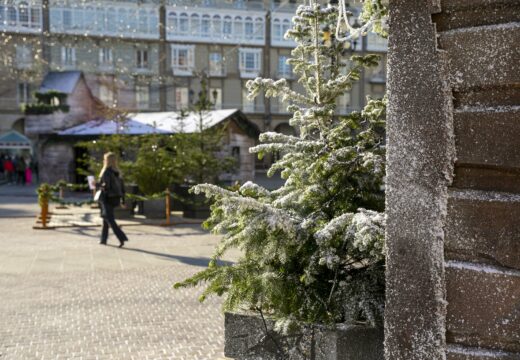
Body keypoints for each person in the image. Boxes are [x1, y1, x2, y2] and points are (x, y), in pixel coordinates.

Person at [97, 152, 128, 247]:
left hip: (106, 198)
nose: (103, 161)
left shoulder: (106, 172)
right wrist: (123, 200)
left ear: (107, 161)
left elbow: (106, 187)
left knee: (108, 218)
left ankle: (121, 237)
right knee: (105, 218)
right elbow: (122, 188)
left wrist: (97, 184)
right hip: (115, 199)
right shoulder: (118, 172)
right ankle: (103, 239)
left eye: (104, 159)